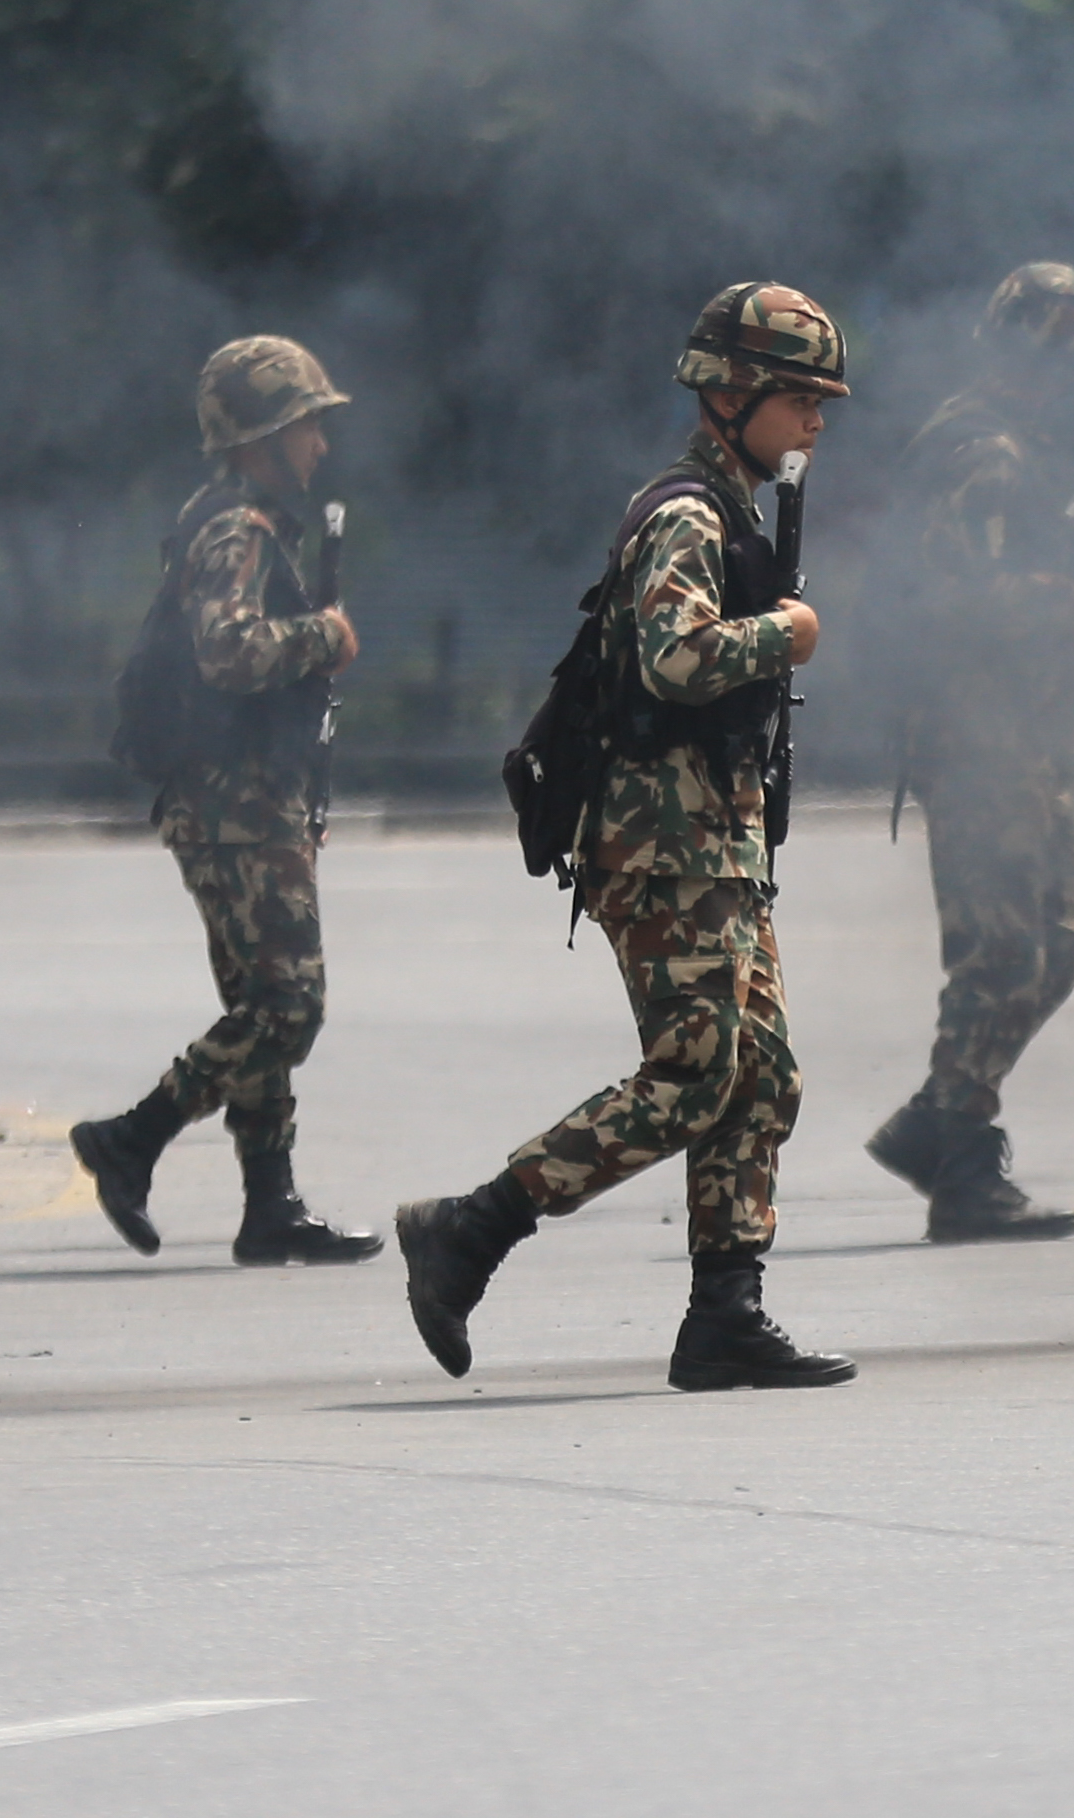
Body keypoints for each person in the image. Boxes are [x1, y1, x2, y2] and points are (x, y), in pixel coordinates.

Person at [395, 283, 857, 1391]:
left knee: (761, 1076)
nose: (815, 420)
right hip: (661, 842)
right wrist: (782, 634)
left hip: (713, 841)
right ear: (731, 394)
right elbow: (677, 657)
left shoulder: (734, 511)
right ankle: (471, 1228)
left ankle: (725, 1316)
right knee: (695, 1073)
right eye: (797, 398)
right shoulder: (686, 516)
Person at [69, 336, 382, 1268]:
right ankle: (133, 1137)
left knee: (258, 999)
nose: (320, 444)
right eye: (307, 425)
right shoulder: (235, 530)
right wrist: (323, 636)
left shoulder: (237, 521)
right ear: (263, 436)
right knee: (288, 1005)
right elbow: (228, 652)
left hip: (242, 794)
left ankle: (269, 1202)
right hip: (231, 799)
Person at [863, 262, 1074, 1242]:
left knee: (1067, 926)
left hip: (1019, 744)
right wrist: (1056, 599)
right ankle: (960, 1164)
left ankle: (936, 1117)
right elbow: (941, 598)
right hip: (975, 741)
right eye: (1036, 348)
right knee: (1003, 949)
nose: (1051, 369)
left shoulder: (1025, 450)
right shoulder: (982, 450)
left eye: (1066, 353)